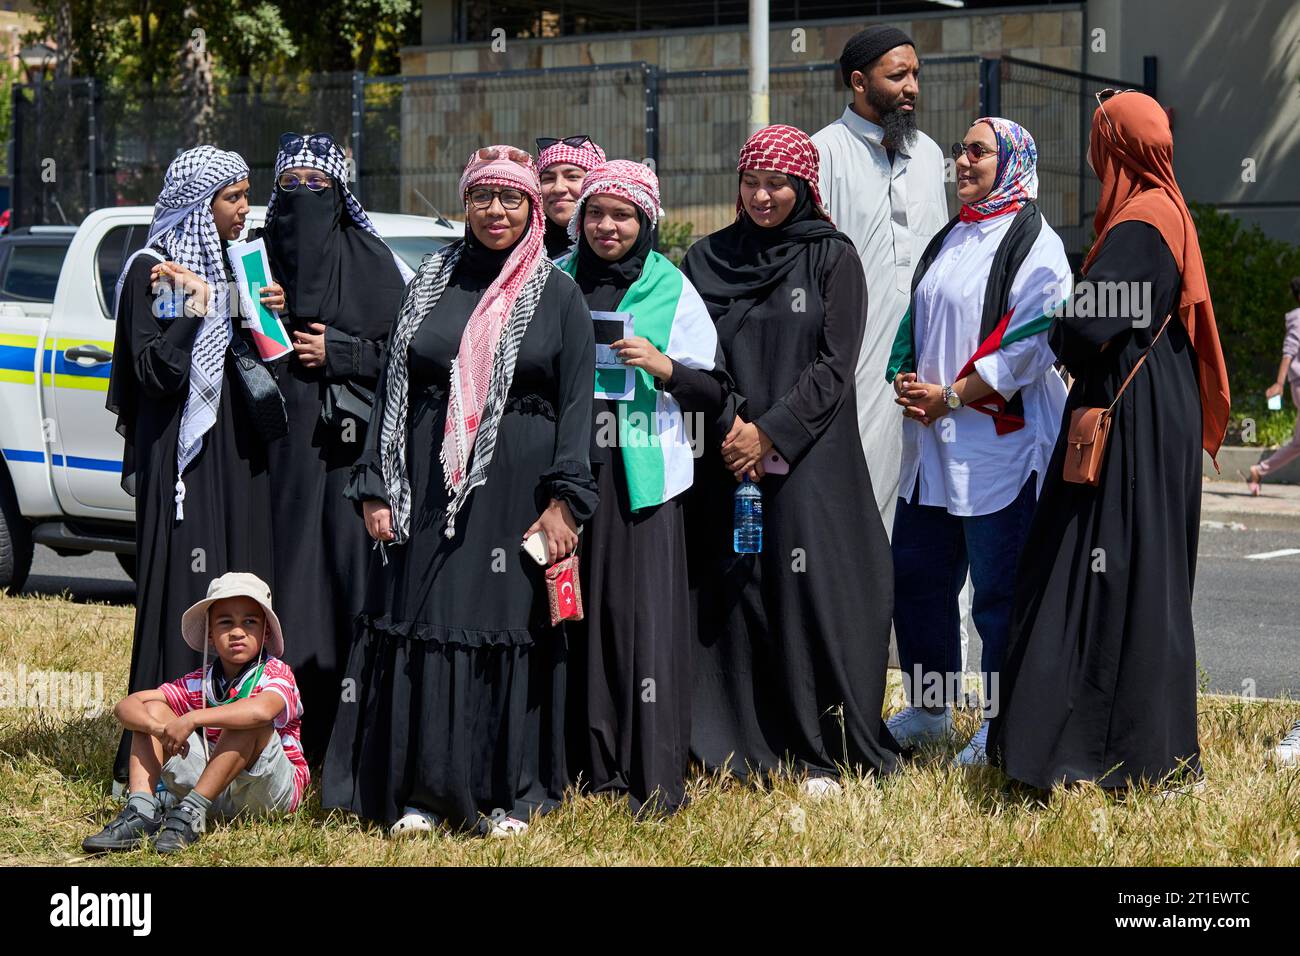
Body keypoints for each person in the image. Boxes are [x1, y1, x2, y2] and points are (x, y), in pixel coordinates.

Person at [322, 145, 597, 838]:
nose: (496, 211)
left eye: (511, 199)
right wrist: (377, 485)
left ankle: (504, 791)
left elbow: (575, 405)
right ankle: (420, 791)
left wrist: (565, 501)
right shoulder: (430, 281)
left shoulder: (557, 293)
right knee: (422, 625)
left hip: (514, 493)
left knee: (501, 631)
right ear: (466, 203)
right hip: (425, 484)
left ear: (533, 208)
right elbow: (393, 385)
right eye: (483, 198)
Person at [989, 91, 1231, 792]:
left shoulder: (1141, 221)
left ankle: (1081, 752)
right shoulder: (1167, 211)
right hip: (1155, 414)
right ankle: (1145, 751)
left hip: (1127, 423)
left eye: (1099, 143)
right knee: (1138, 574)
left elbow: (1088, 326)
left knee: (1087, 569)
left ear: (1113, 148)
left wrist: (1063, 317)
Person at [682, 125, 900, 795]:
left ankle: (816, 744)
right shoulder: (707, 258)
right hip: (722, 449)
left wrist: (770, 432)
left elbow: (836, 367)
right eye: (751, 182)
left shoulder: (832, 258)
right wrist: (734, 423)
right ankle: (734, 738)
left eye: (777, 184)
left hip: (810, 456)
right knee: (733, 592)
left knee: (808, 592)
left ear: (804, 187)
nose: (762, 196)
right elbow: (693, 352)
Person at [884, 118, 1071, 764]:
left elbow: (1031, 343)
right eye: (960, 150)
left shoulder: (1035, 244)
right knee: (919, 577)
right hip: (933, 446)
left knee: (998, 593)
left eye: (978, 151)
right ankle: (931, 709)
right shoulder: (953, 235)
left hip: (1000, 449)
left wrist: (954, 395)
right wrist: (906, 379)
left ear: (1013, 161)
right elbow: (919, 318)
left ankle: (1003, 720)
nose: (962, 161)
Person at [106, 146, 282, 785]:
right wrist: (194, 305)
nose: (244, 210)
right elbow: (155, 374)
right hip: (180, 460)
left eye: (245, 195)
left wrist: (264, 311)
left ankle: (233, 741)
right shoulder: (148, 273)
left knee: (234, 584)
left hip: (234, 455)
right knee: (183, 590)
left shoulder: (238, 263)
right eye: (233, 198)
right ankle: (156, 754)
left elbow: (264, 364)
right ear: (197, 205)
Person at [558, 160, 722, 815]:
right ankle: (587, 767)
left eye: (622, 215)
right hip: (569, 470)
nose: (606, 226)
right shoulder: (556, 279)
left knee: (641, 622)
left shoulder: (670, 286)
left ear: (645, 222)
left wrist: (666, 366)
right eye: (595, 213)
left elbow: (716, 390)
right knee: (575, 617)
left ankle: (652, 776)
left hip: (644, 477)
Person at [253, 131, 411, 765]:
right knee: (283, 582)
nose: (304, 198)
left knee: (347, 587)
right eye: (291, 186)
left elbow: (411, 357)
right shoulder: (255, 261)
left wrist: (339, 352)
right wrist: (253, 312)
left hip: (349, 461)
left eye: (319, 187)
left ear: (341, 192)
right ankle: (271, 733)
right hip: (273, 458)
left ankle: (350, 739)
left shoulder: (374, 263)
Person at [812, 24, 949, 529]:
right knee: (864, 480)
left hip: (932, 351)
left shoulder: (932, 156)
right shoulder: (823, 152)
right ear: (858, 81)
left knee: (936, 487)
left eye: (916, 74)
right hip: (857, 353)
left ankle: (941, 611)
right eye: (897, 76)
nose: (912, 86)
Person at [81, 572, 308, 854]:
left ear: (266, 632)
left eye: (250, 622)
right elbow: (126, 706)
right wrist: (157, 729)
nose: (237, 632)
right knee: (151, 710)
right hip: (219, 790)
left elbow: (262, 710)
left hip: (270, 793)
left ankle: (191, 812)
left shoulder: (276, 672)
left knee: (248, 721)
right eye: (226, 623)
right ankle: (141, 810)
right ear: (210, 635)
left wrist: (192, 718)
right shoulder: (200, 681)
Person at [1246, 277, 1300, 494]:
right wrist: (1279, 382)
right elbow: (1289, 351)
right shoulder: (1298, 319)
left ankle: (1259, 470)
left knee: (1298, 444)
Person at [536, 135, 607, 259]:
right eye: (548, 179)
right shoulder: (522, 253)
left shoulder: (612, 247)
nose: (558, 188)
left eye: (572, 177)